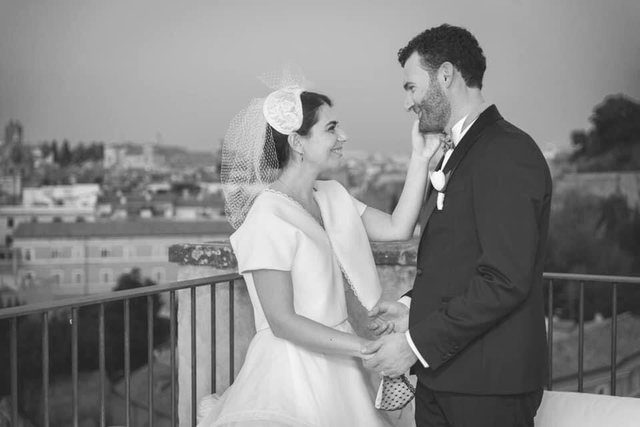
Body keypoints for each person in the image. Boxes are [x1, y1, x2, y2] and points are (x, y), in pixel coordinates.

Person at [196, 85, 441, 426]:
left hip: (340, 363)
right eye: (331, 128)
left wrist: (420, 158)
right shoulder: (267, 216)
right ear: (297, 143)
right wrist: (365, 347)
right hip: (292, 373)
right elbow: (282, 321)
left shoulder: (332, 195)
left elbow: (398, 227)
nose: (343, 136)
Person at [364, 24, 552, 427]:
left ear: (446, 75)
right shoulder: (464, 150)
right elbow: (458, 261)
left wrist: (413, 346)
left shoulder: (507, 151)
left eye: (411, 87)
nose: (407, 103)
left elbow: (504, 279)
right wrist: (411, 307)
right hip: (446, 379)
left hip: (488, 389)